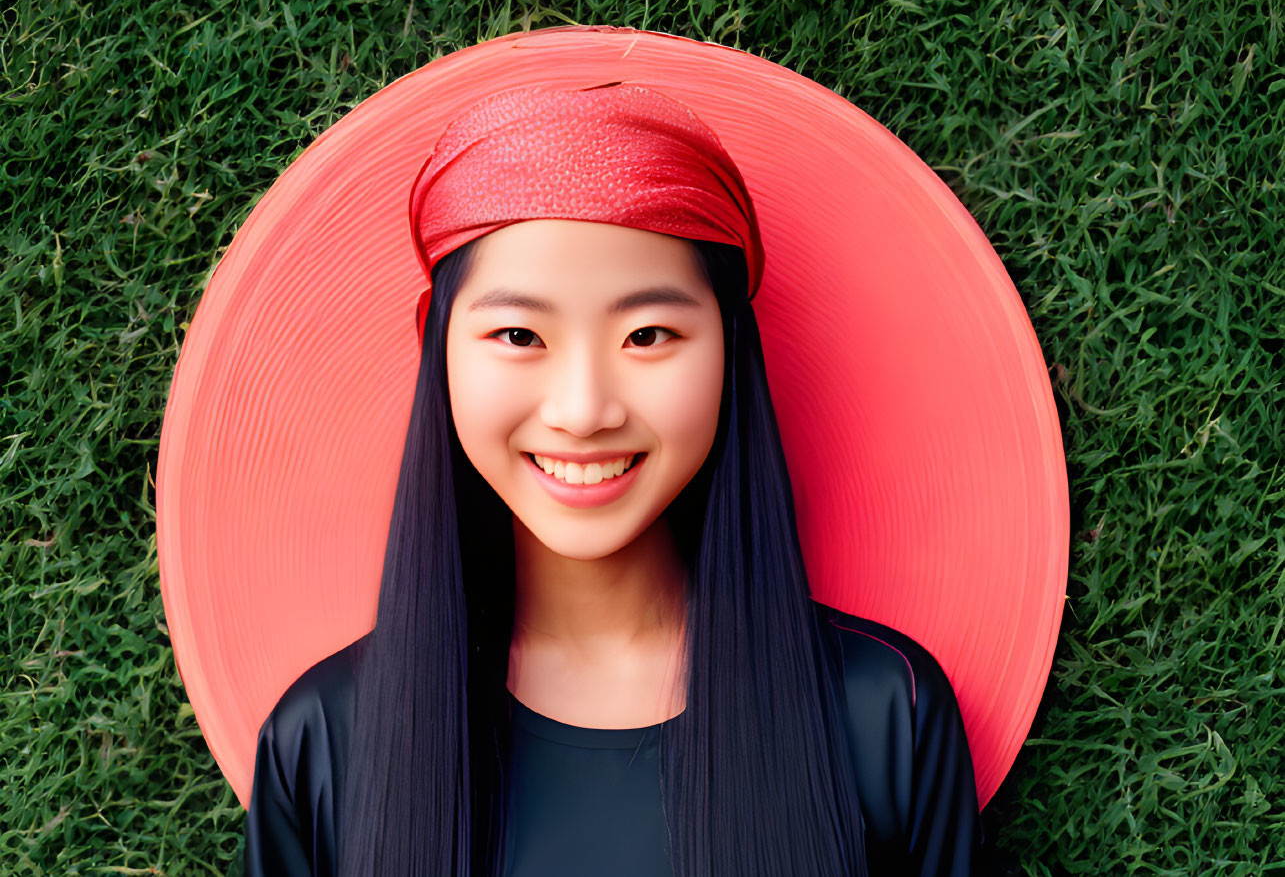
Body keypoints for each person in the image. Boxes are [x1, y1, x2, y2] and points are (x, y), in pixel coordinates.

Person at [241, 82, 980, 877]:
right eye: (520, 333)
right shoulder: (323, 739)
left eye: (648, 333)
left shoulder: (883, 715)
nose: (583, 409)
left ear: (730, 348)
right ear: (438, 348)